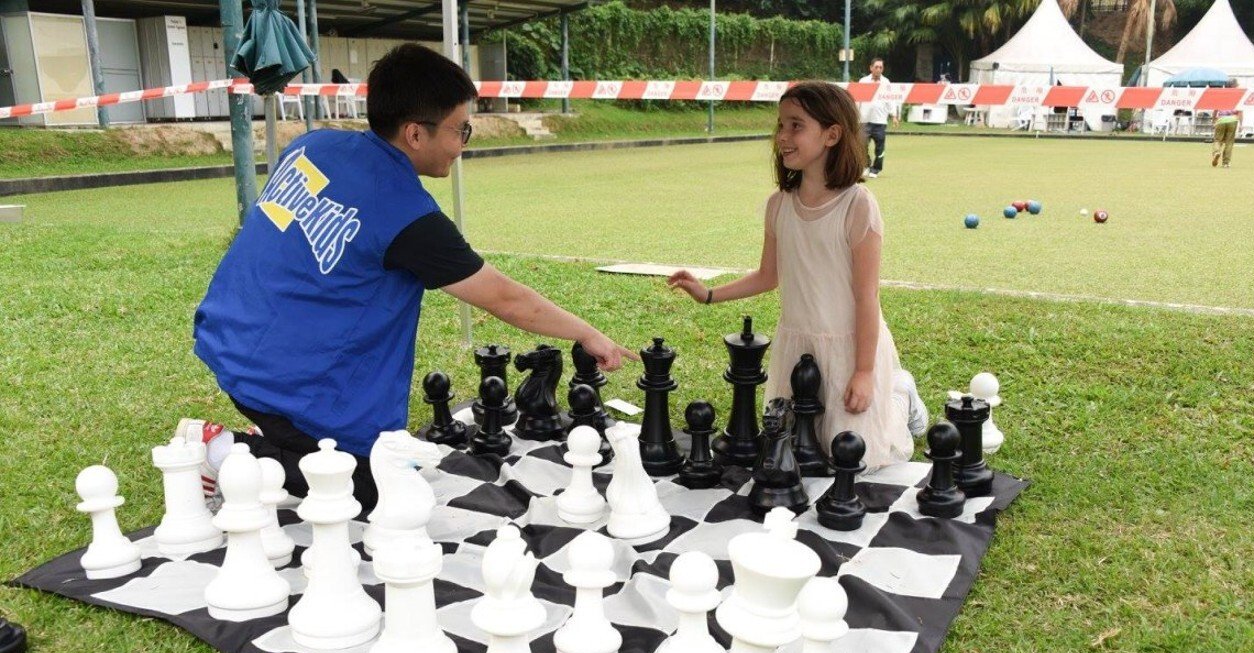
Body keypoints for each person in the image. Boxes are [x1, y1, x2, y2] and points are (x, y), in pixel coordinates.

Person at [186, 43, 634, 510]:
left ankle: (281, 433)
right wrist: (587, 333)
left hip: (229, 338)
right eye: (462, 130)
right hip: (288, 379)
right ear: (416, 134)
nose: (464, 144)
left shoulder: (311, 144)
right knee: (371, 492)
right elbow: (506, 300)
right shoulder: (406, 214)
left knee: (371, 468)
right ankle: (223, 452)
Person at [667, 81, 927, 471]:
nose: (782, 137)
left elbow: (866, 297)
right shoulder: (779, 205)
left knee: (859, 457)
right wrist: (707, 294)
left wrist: (864, 371)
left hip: (850, 348)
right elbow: (767, 276)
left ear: (832, 134)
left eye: (796, 126)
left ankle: (899, 395)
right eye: (780, 126)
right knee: (798, 455)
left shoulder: (858, 205)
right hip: (798, 346)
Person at [857, 58, 900, 179]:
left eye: (881, 67)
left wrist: (894, 116)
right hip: (864, 120)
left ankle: (876, 169)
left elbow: (891, 101)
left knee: (880, 148)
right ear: (871, 68)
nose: (878, 69)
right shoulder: (863, 81)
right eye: (876, 67)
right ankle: (865, 165)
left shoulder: (886, 82)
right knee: (861, 144)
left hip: (880, 121)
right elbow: (858, 99)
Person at [1211, 79, 1242, 169]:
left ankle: (1217, 152)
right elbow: (1240, 111)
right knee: (1229, 142)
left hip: (1221, 119)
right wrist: (1240, 123)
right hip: (1233, 119)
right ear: (1234, 86)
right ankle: (1226, 163)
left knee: (1217, 140)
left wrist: (1213, 120)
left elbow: (1215, 109)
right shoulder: (1239, 95)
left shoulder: (1221, 94)